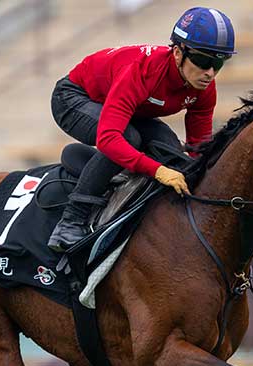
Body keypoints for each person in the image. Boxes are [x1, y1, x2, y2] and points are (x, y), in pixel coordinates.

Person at [46, 6, 237, 251]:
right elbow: (108, 139)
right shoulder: (142, 71)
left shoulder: (204, 89)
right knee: (128, 138)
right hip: (74, 98)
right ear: (178, 53)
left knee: (171, 151)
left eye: (219, 63)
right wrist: (157, 171)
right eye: (203, 61)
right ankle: (71, 221)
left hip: (127, 109)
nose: (210, 72)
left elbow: (197, 148)